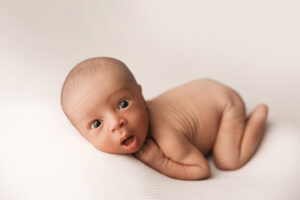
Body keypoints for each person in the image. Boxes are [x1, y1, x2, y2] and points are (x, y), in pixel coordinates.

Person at [61, 57, 268, 180]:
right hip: (202, 90)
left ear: (141, 95)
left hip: (224, 104)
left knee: (228, 160)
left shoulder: (166, 136)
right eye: (97, 123)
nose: (117, 123)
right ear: (82, 134)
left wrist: (159, 161)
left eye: (123, 104)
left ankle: (257, 117)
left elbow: (201, 169)